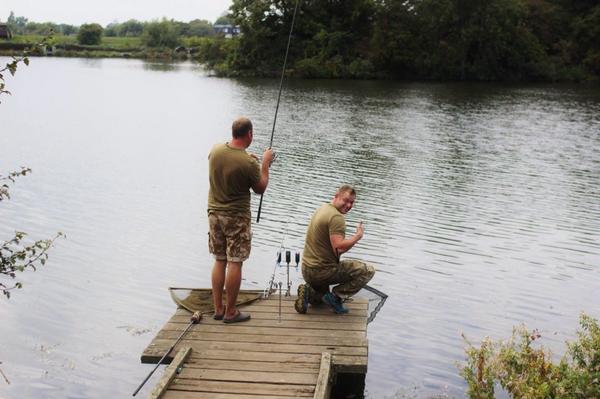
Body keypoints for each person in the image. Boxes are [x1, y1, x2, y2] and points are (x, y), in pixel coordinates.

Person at [208, 117, 274, 323]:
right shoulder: (249, 163)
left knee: (220, 259)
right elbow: (260, 187)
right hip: (236, 217)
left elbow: (231, 163)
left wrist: (249, 158)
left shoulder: (216, 150)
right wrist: (265, 163)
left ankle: (218, 309)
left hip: (214, 214)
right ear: (250, 134)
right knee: (235, 262)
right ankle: (231, 312)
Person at [295, 185, 375, 314]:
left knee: (320, 301)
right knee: (368, 271)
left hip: (307, 270)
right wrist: (357, 236)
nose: (349, 205)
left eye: (352, 202)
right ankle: (336, 296)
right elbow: (339, 249)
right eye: (346, 200)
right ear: (336, 196)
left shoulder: (323, 208)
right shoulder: (336, 217)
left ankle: (309, 293)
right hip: (322, 271)